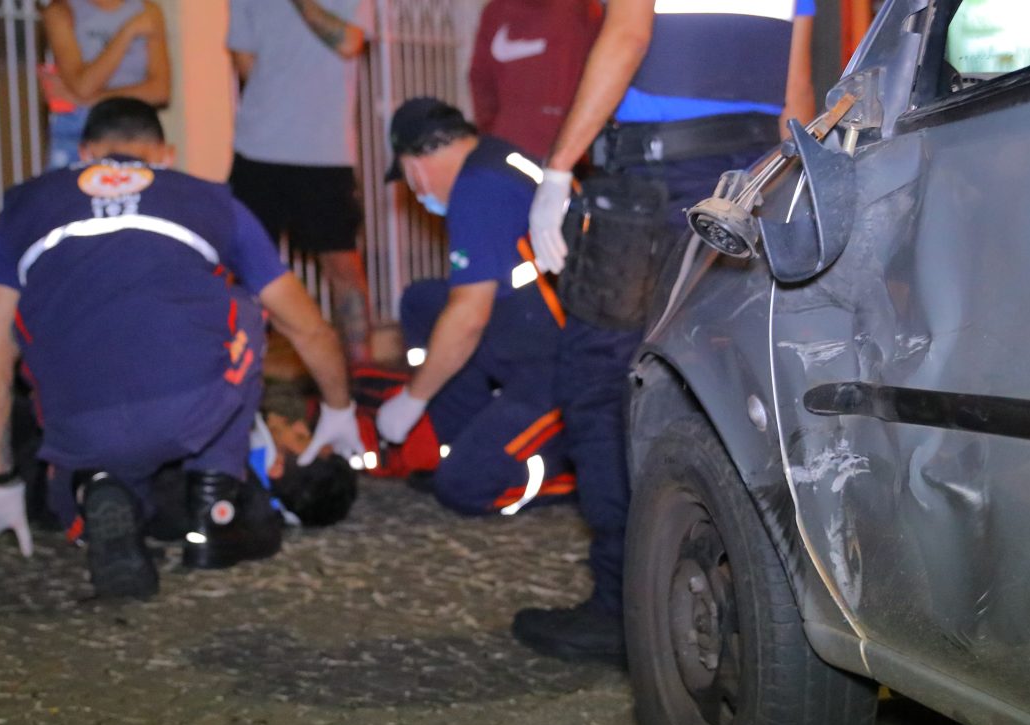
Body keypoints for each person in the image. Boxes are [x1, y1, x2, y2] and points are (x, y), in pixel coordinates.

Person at [0, 98, 366, 600]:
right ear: (165, 155)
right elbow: (307, 327)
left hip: (75, 421)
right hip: (187, 406)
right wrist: (340, 409)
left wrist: (2, 481)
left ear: (84, 153)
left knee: (86, 432)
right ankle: (214, 511)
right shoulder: (211, 202)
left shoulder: (24, 207)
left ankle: (97, 487)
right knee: (245, 308)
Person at [516, 0, 817, 663]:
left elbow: (627, 35)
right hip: (746, 189)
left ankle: (625, 609)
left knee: (604, 385)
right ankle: (730, 588)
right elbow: (793, 94)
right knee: (722, 385)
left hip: (654, 191)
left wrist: (560, 167)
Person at [376, 98, 573, 515]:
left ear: (416, 165)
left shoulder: (478, 188)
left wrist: (413, 398)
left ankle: (571, 466)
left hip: (564, 369)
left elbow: (469, 317)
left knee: (464, 489)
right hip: (537, 334)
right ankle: (476, 438)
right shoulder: (494, 159)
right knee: (423, 301)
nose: (416, 193)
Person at [227, 0, 375, 362]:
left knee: (342, 266)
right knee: (242, 268)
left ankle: (364, 377)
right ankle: (243, 375)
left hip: (324, 152)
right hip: (258, 149)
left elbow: (349, 42)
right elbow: (245, 62)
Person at [40, 0, 171, 169]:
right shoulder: (61, 11)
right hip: (80, 128)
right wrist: (127, 32)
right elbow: (83, 85)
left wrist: (89, 101)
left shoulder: (148, 10)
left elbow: (160, 92)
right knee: (67, 192)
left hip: (134, 125)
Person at [469, 0, 603, 159]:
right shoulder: (584, 8)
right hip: (566, 147)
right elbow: (480, 78)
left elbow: (481, 80)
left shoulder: (497, 10)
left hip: (511, 146)